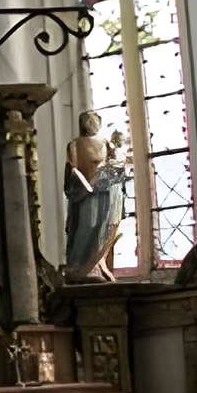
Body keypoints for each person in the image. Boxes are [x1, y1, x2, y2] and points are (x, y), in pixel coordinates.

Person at [63, 108, 127, 279]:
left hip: (104, 191)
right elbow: (71, 170)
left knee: (104, 228)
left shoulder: (106, 143)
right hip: (85, 193)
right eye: (88, 121)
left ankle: (97, 265)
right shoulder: (74, 145)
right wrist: (80, 186)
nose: (92, 124)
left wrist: (116, 164)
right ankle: (78, 266)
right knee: (87, 225)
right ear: (82, 124)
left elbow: (116, 162)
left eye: (94, 121)